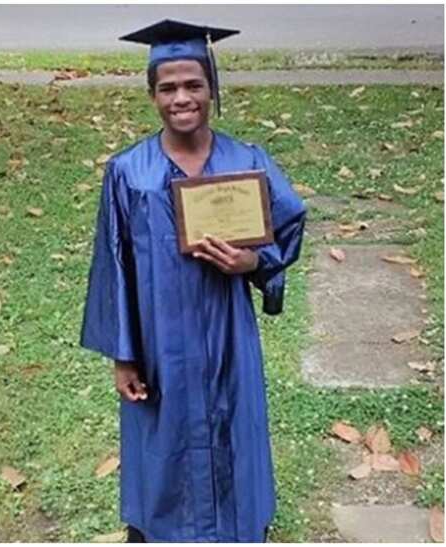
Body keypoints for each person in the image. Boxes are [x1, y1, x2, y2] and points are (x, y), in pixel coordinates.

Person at [80, 20, 307, 541]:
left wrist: (253, 264)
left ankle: (240, 529)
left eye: (193, 85)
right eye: (168, 88)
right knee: (163, 438)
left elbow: (288, 223)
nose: (181, 98)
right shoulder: (129, 173)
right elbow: (113, 268)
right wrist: (123, 356)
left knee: (236, 432)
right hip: (160, 344)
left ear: (212, 89)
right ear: (152, 94)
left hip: (228, 334)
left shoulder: (246, 162)